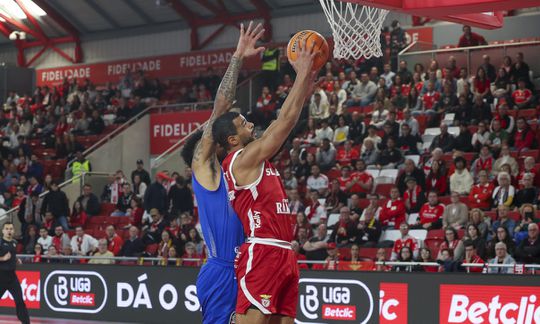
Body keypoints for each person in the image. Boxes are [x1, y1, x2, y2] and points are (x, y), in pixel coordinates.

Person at [0, 223, 30, 324]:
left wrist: (16, 259)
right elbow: (4, 256)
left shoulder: (14, 242)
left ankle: (26, 322)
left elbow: (12, 254)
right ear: (3, 231)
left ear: (13, 231)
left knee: (20, 301)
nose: (9, 231)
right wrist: (3, 258)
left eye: (11, 229)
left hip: (12, 277)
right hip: (1, 277)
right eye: (7, 229)